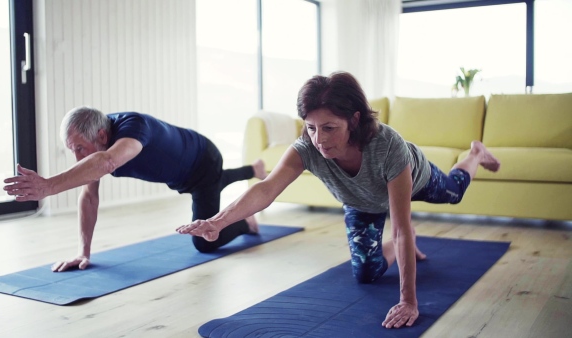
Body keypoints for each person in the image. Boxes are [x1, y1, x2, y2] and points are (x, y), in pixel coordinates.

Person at [176, 71, 501, 329]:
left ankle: (473, 155)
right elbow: (267, 189)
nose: (320, 139)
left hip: (411, 181)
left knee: (454, 193)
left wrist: (408, 301)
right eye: (312, 127)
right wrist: (217, 222)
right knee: (366, 273)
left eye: (329, 127)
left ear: (355, 120)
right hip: (360, 202)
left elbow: (399, 227)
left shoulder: (388, 146)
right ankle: (403, 247)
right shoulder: (307, 147)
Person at [3, 107, 267, 272]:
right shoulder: (97, 146)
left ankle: (245, 222)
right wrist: (84, 252)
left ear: (102, 137)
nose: (78, 159)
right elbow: (89, 197)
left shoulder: (133, 128)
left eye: (80, 149)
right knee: (213, 182)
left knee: (204, 241)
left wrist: (48, 186)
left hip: (203, 159)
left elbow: (106, 161)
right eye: (73, 151)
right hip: (183, 175)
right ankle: (254, 169)